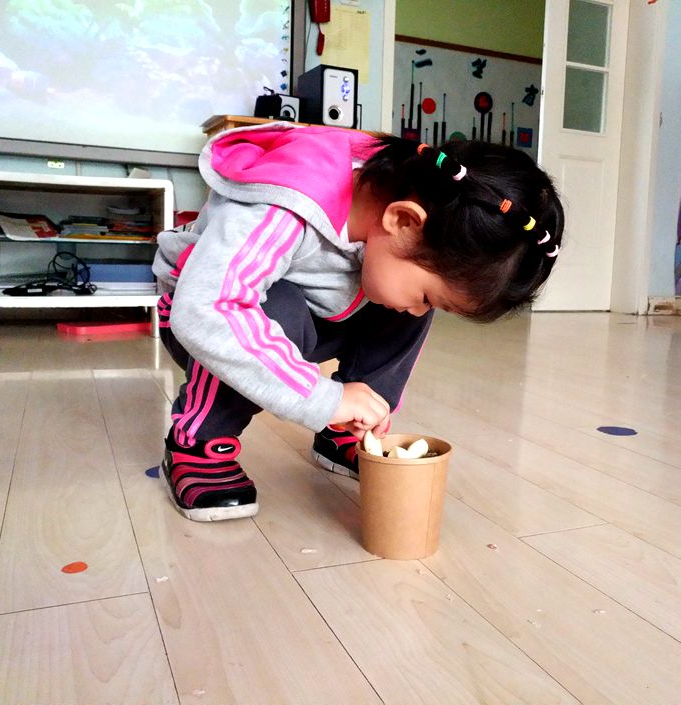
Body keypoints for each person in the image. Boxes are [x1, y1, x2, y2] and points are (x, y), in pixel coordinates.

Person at [152, 122, 564, 521]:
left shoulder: (400, 207)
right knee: (283, 305)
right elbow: (209, 309)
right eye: (429, 298)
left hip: (323, 310)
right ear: (403, 220)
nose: (422, 311)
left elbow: (403, 294)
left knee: (399, 303)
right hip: (203, 319)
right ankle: (199, 441)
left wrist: (344, 405)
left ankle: (347, 431)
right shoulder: (286, 201)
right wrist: (322, 398)